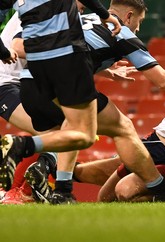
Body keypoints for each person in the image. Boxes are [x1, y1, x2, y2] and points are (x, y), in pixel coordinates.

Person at [1, 0, 165, 204]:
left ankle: (59, 188)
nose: (138, 28)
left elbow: (25, 45)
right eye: (139, 22)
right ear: (129, 16)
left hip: (30, 83)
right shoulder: (121, 33)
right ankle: (163, 191)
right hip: (57, 82)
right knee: (122, 128)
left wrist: (103, 69)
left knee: (70, 131)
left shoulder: (74, 17)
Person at [0, 0, 122, 203]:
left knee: (65, 131)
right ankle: (13, 191)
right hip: (5, 84)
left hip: (26, 79)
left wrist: (106, 71)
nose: (80, 12)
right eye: (80, 8)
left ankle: (30, 190)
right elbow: (19, 47)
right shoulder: (43, 13)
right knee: (60, 135)